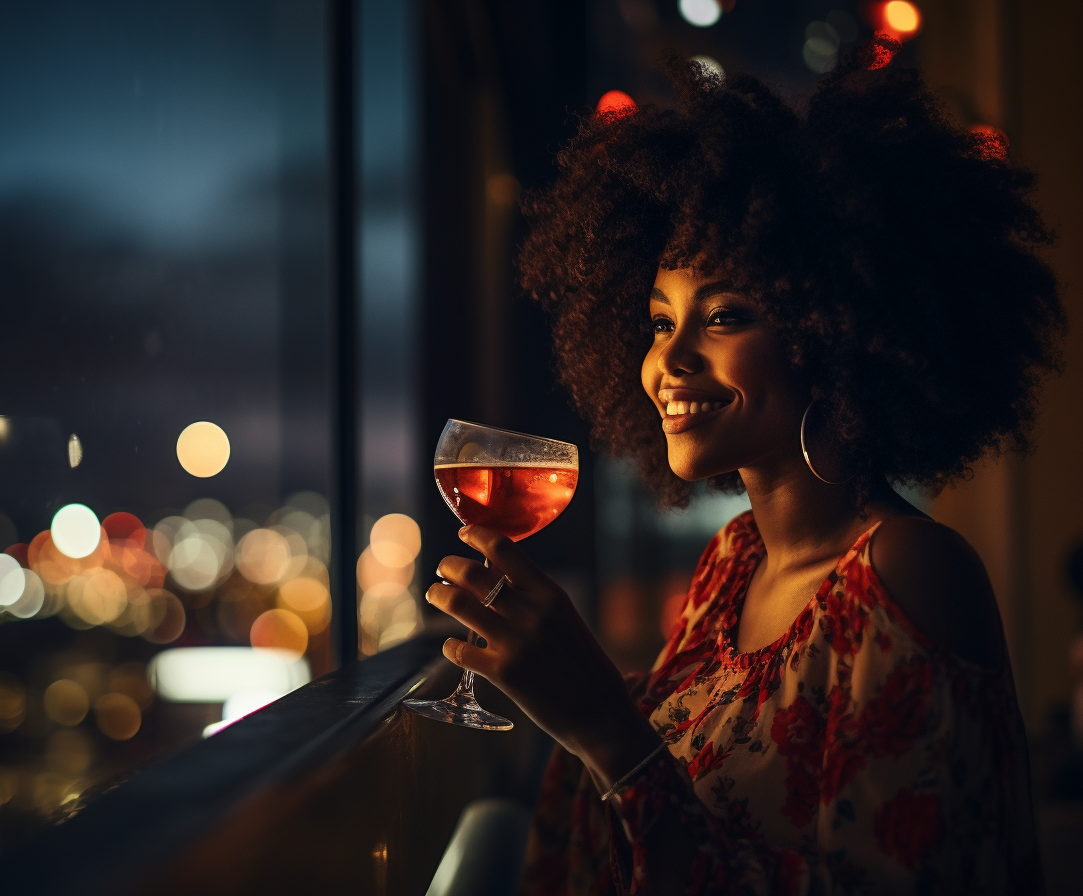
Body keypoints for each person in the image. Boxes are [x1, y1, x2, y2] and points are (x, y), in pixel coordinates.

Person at [425, 40, 1062, 895]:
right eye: (657, 322)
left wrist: (608, 732)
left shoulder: (909, 574)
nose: (669, 361)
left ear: (831, 335)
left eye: (722, 315)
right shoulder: (731, 563)